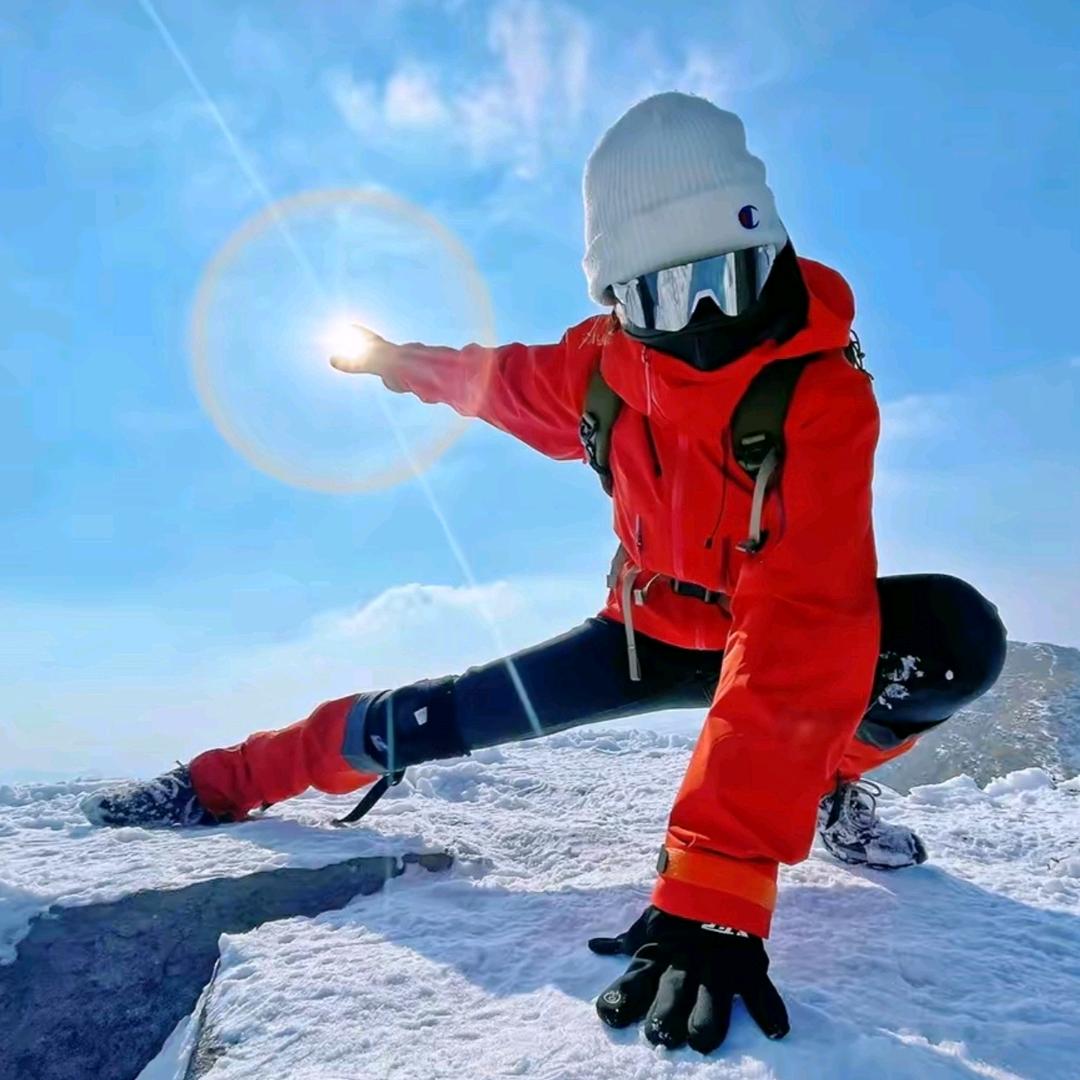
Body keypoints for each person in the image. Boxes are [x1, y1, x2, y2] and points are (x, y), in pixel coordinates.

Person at [83, 93, 1006, 1054]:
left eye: (723, 281)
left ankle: (825, 785)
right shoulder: (600, 370)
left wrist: (716, 892)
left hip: (761, 622)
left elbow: (801, 623)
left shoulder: (821, 391)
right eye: (660, 294)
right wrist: (400, 362)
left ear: (768, 250)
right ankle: (221, 782)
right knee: (432, 717)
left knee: (950, 641)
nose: (697, 321)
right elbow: (493, 380)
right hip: (641, 639)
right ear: (616, 298)